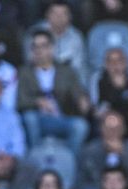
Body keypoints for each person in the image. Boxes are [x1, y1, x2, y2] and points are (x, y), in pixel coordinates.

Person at [17, 28, 90, 156]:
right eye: (35, 47)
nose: (39, 50)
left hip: (61, 117)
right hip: (38, 118)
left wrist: (82, 100)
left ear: (51, 48)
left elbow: (77, 92)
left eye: (43, 46)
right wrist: (37, 102)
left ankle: (70, 161)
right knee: (30, 118)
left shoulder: (66, 71)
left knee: (80, 126)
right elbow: (20, 100)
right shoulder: (24, 72)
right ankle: (35, 158)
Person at [77, 108, 128, 189]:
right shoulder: (90, 149)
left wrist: (124, 155)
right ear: (101, 129)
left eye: (117, 128)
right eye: (109, 128)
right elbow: (85, 178)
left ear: (123, 130)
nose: (113, 132)